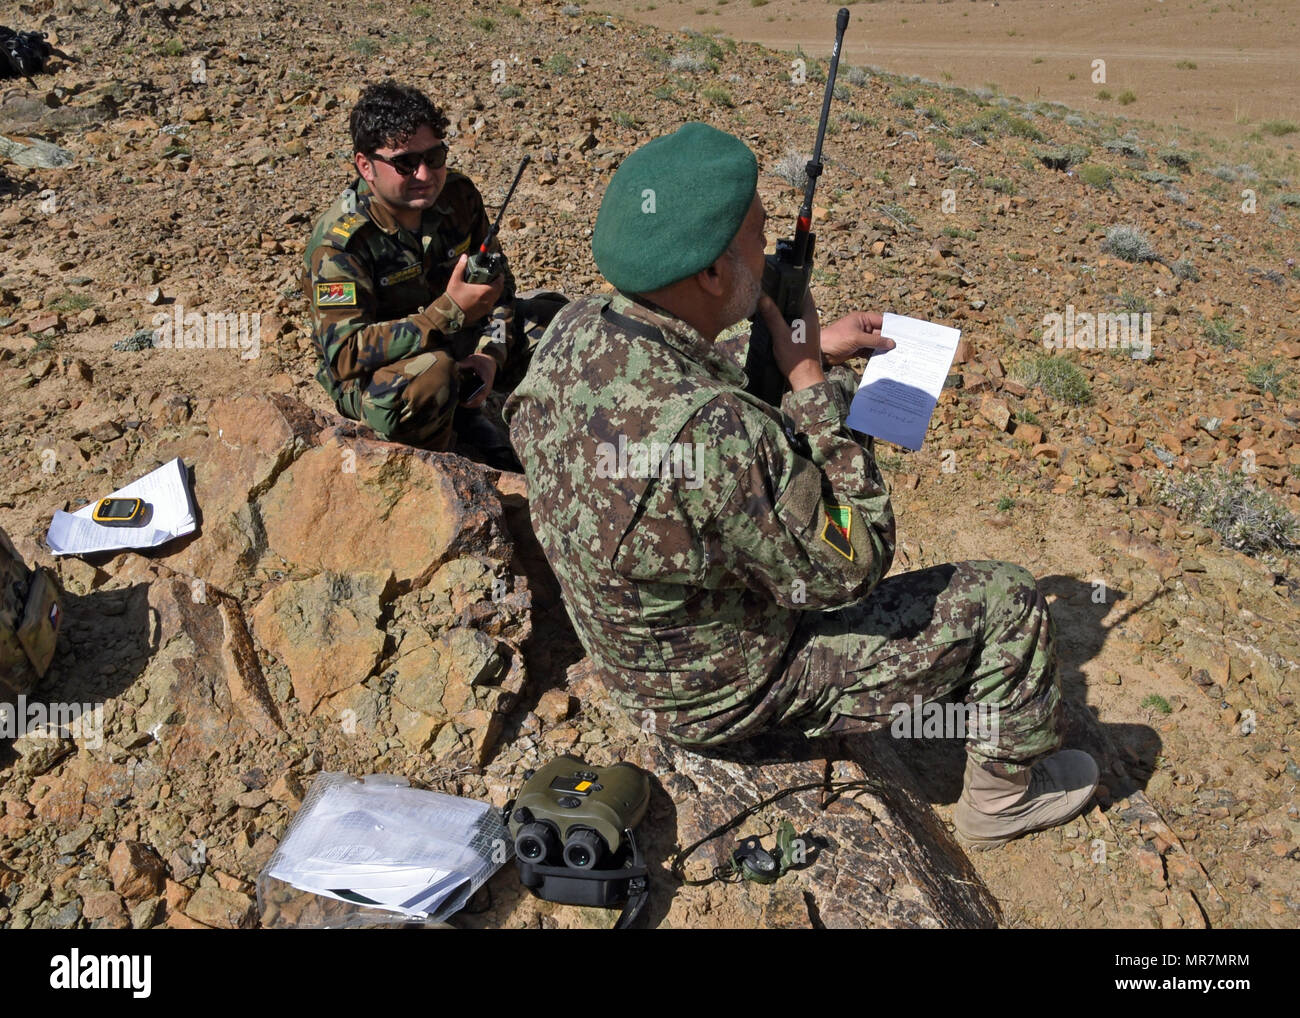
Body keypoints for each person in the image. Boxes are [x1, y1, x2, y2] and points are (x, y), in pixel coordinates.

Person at [503, 122, 1098, 849]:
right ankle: (1002, 803)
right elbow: (852, 560)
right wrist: (811, 387)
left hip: (634, 651)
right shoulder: (718, 436)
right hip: (721, 692)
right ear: (715, 275)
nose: (769, 248)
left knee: (829, 404)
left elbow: (670, 395)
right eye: (758, 236)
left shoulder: (573, 329)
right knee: (1006, 599)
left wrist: (812, 355)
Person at [302, 80, 563, 467]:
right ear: (365, 165)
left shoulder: (458, 197)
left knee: (561, 324)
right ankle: (445, 463)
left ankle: (530, 436)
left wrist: (489, 354)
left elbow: (498, 290)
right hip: (383, 373)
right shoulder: (341, 243)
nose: (426, 174)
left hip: (460, 343)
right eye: (406, 163)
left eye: (436, 155)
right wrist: (449, 311)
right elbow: (345, 354)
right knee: (432, 375)